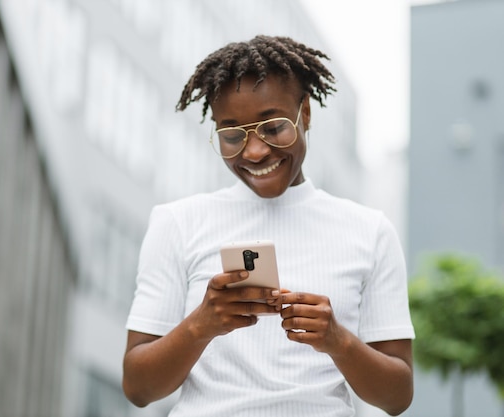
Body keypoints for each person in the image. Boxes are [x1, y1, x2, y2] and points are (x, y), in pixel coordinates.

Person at [122, 35, 414, 417]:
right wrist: (201, 325)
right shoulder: (177, 223)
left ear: (305, 113)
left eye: (273, 127)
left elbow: (397, 397)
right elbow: (139, 388)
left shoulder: (369, 231)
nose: (255, 151)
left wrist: (339, 341)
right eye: (232, 136)